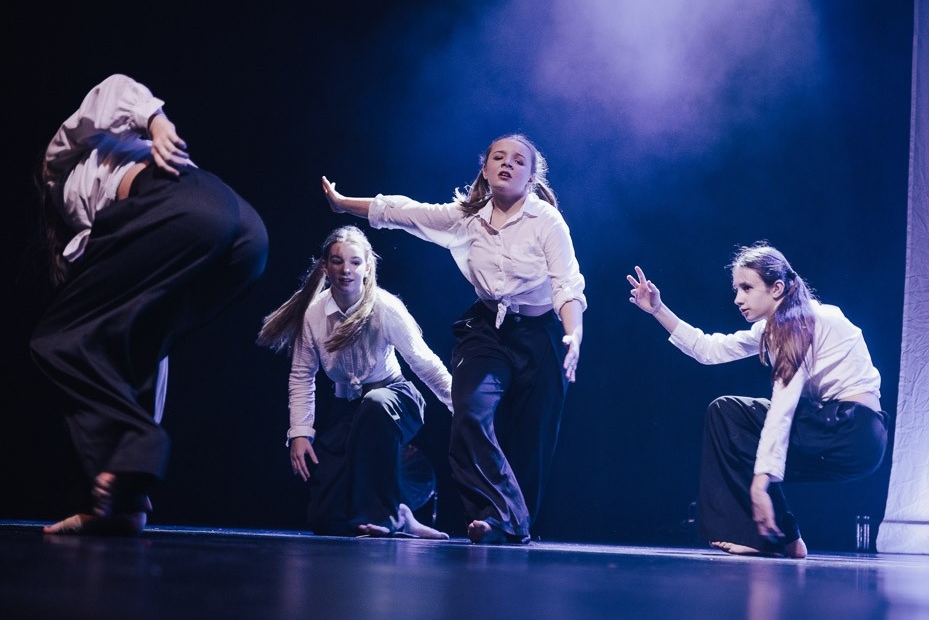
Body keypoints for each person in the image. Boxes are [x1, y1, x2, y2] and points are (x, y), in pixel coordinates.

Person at [29, 74, 268, 536]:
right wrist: (132, 481)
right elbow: (147, 355)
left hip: (185, 202)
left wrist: (155, 122)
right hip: (244, 235)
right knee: (137, 340)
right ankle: (124, 500)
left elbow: (110, 91)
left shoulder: (57, 167)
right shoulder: (99, 236)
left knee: (57, 338)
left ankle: (135, 449)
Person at [321, 134, 586, 544]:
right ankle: (499, 518)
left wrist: (574, 334)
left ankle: (512, 524)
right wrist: (343, 204)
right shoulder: (466, 218)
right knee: (470, 411)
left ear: (532, 178)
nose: (507, 164)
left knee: (530, 437)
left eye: (519, 161)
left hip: (541, 334)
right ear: (485, 169)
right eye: (499, 157)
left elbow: (567, 285)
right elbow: (404, 211)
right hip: (487, 330)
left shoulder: (547, 222)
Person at [627, 243, 887, 558]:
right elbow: (708, 349)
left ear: (776, 288)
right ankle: (785, 537)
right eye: (737, 289)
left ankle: (759, 538)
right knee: (734, 427)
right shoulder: (773, 328)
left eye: (747, 288)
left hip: (849, 429)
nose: (738, 298)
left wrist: (760, 482)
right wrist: (658, 309)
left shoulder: (803, 321)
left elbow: (783, 406)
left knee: (730, 414)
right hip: (857, 440)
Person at [257, 225, 452, 538]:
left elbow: (423, 361)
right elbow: (302, 375)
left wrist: (461, 406)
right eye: (337, 261)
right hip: (348, 409)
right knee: (325, 521)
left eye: (355, 262)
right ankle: (403, 512)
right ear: (326, 267)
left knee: (375, 406)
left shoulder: (385, 307)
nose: (346, 269)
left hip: (395, 400)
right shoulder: (314, 314)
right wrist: (300, 432)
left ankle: (387, 517)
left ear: (367, 267)